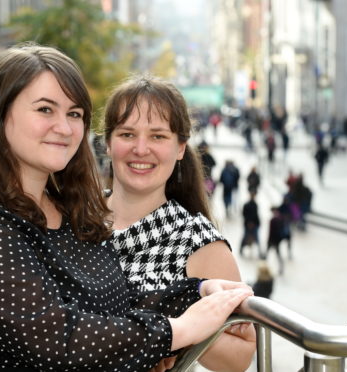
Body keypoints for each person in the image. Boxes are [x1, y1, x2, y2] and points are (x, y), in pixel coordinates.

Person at [0, 44, 254, 372]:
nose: (64, 128)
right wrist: (175, 332)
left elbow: (114, 301)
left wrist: (195, 292)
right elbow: (54, 338)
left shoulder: (67, 211)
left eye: (74, 114)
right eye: (45, 109)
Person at [102, 75, 256, 372]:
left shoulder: (198, 240)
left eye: (158, 136)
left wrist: (179, 335)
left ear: (181, 148)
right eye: (127, 134)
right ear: (108, 143)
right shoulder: (75, 218)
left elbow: (240, 357)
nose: (141, 148)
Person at [240, 192, 262, 258]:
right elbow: (245, 214)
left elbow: (256, 215)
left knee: (257, 238)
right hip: (248, 224)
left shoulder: (255, 205)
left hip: (254, 224)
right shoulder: (246, 205)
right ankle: (241, 249)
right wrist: (249, 222)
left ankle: (260, 252)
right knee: (245, 237)